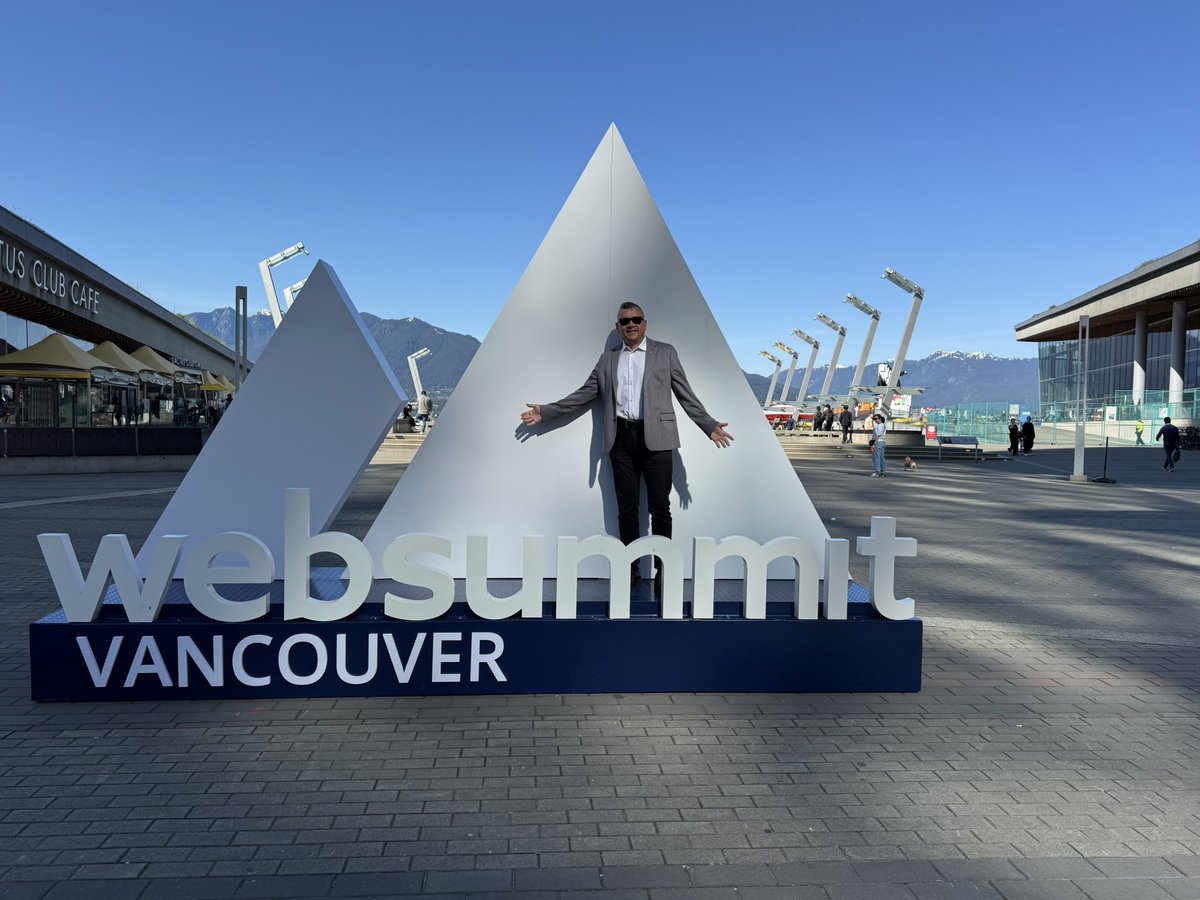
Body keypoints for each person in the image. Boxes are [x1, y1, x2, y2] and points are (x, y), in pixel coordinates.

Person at [520, 301, 733, 585]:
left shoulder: (665, 353)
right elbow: (583, 394)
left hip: (658, 440)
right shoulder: (607, 360)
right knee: (627, 508)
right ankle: (630, 569)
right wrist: (545, 411)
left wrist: (707, 424)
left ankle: (663, 570)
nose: (630, 324)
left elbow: (685, 394)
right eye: (624, 321)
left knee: (660, 508)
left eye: (636, 319)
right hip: (620, 440)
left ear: (645, 323)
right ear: (617, 327)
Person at [868, 413, 887, 477]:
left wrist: (874, 444)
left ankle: (877, 472)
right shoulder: (882, 425)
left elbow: (878, 435)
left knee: (876, 457)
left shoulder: (880, 425)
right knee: (881, 457)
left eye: (876, 419)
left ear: (880, 419)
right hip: (882, 442)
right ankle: (882, 471)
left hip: (878, 442)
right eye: (874, 419)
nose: (875, 420)